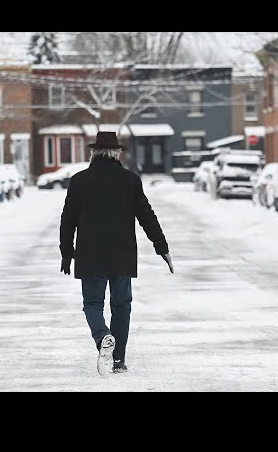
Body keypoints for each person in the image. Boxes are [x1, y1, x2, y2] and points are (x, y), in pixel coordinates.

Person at [59, 130, 173, 377]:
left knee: (92, 304)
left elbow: (67, 219)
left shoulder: (79, 180)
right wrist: (161, 246)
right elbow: (146, 216)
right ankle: (118, 359)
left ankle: (103, 337)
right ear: (117, 152)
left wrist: (66, 251)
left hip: (90, 253)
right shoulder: (129, 180)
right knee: (122, 306)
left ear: (94, 152)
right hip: (122, 254)